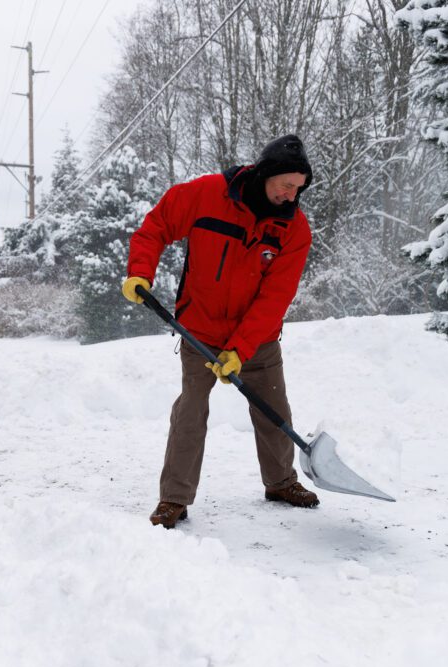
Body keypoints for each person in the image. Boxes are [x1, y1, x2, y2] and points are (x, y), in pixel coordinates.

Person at [121, 135, 318, 529]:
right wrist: (141, 271)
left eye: (298, 188)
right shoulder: (209, 194)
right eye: (286, 184)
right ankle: (174, 498)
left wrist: (241, 349)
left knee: (274, 410)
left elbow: (275, 297)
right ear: (266, 173)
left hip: (257, 339)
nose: (291, 194)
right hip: (201, 328)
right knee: (191, 411)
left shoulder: (293, 229)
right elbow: (156, 226)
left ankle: (281, 482)